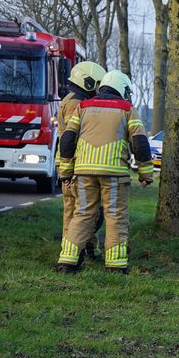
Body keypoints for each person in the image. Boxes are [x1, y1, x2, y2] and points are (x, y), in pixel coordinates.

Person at [55, 70, 154, 274]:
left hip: (83, 173)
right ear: (122, 89)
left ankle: (67, 261)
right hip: (115, 174)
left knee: (82, 214)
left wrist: (65, 172)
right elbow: (140, 144)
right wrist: (146, 175)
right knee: (115, 216)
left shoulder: (82, 107)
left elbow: (67, 140)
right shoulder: (128, 109)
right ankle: (116, 266)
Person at [56, 61, 106, 260]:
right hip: (75, 166)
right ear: (88, 82)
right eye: (97, 85)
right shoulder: (75, 103)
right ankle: (72, 251)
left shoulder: (71, 99)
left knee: (86, 209)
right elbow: (74, 136)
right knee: (77, 211)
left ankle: (87, 247)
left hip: (72, 165)